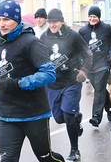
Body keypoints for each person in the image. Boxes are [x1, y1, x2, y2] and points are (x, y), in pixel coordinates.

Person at [0, 0, 64, 162]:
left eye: (6, 20)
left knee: (46, 158)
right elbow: (2, 73)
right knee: (7, 159)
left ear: (17, 20)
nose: (1, 24)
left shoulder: (31, 42)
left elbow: (49, 74)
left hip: (34, 114)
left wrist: (18, 83)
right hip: (7, 114)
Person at [41, 8, 93, 161]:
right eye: (49, 22)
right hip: (53, 84)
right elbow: (40, 58)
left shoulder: (73, 36)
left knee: (68, 116)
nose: (52, 25)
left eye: (55, 22)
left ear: (62, 21)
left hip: (72, 81)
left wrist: (84, 71)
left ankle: (74, 150)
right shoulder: (44, 37)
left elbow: (88, 54)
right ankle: (77, 119)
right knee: (58, 118)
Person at [78, 6, 111, 127]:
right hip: (90, 65)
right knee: (100, 90)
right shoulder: (83, 31)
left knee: (99, 88)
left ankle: (96, 117)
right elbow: (79, 46)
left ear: (99, 17)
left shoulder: (106, 28)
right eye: (90, 16)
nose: (92, 18)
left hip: (103, 63)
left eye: (94, 16)